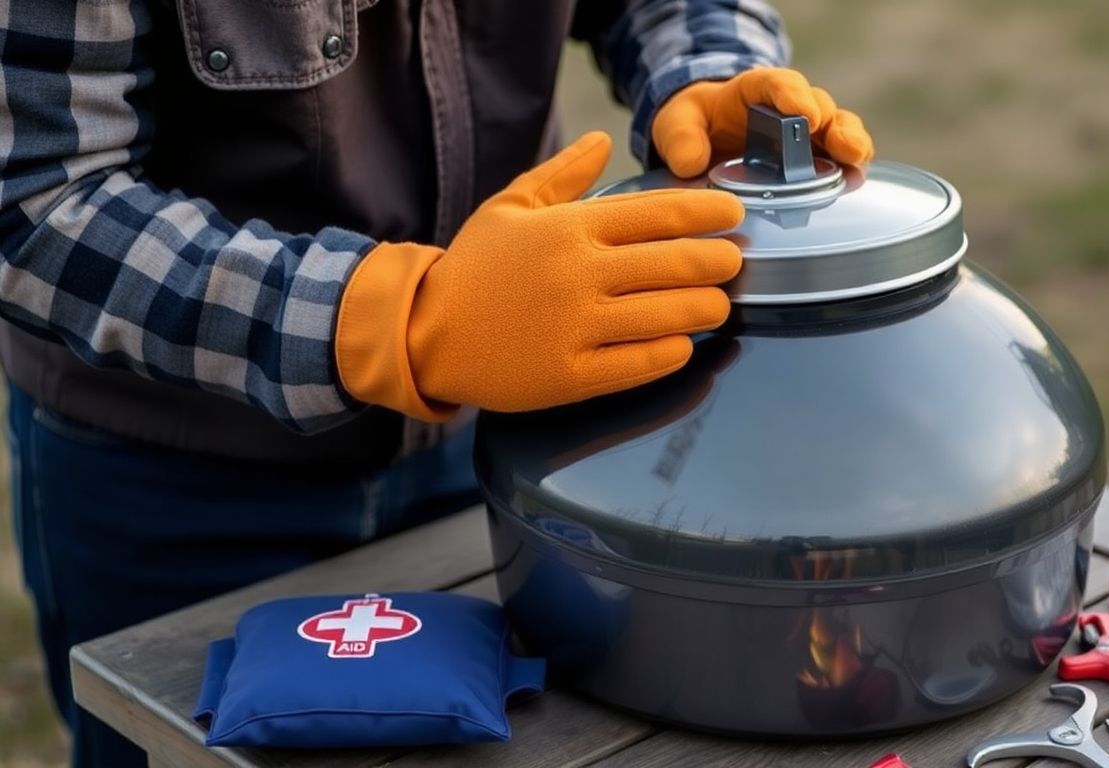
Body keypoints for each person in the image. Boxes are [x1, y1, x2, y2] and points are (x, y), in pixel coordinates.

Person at [0, 0, 873, 765]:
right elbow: (34, 198)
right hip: (172, 481)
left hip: (505, 437)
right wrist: (393, 322)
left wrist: (709, 71)